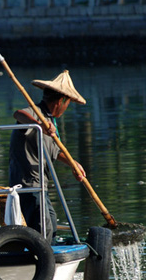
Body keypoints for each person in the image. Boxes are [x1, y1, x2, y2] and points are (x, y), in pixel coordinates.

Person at [8, 70, 87, 243]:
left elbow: (56, 151)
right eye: (68, 104)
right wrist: (38, 125)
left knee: (51, 221)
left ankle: (50, 259)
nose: (67, 108)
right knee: (42, 225)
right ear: (61, 101)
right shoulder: (35, 113)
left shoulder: (52, 121)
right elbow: (18, 114)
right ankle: (41, 261)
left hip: (41, 184)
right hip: (27, 183)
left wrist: (73, 163)